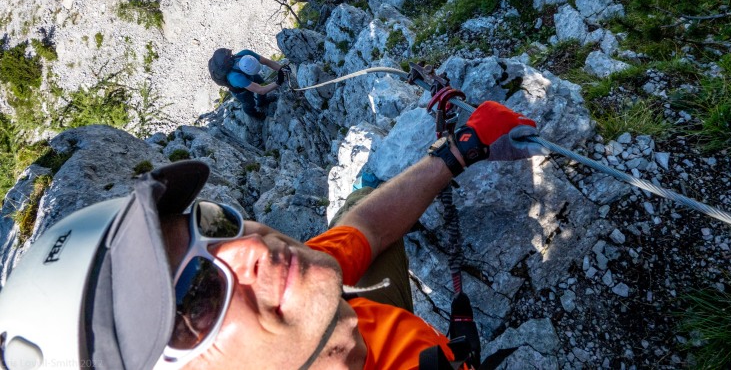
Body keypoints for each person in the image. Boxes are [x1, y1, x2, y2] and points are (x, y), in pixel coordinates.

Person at [0, 102, 543, 370]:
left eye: (209, 225)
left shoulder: (302, 291)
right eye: (196, 295)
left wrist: (458, 150)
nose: (251, 247)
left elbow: (366, 228)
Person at [208, 48, 290, 120]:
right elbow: (261, 90)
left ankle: (262, 102)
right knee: (248, 103)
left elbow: (266, 62)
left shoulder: (246, 53)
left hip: (248, 76)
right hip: (239, 90)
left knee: (261, 82)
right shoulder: (235, 77)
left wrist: (282, 69)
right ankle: (253, 114)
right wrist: (279, 82)